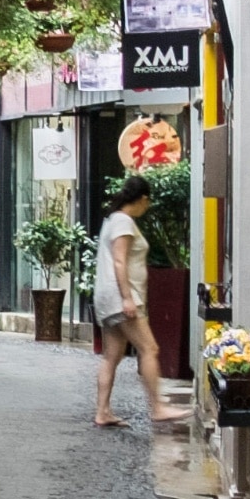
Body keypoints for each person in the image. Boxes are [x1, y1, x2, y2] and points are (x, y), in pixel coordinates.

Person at [93, 178, 166, 430]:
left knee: (111, 355)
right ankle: (157, 407)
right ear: (143, 199)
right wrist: (127, 298)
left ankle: (102, 411)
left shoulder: (113, 219)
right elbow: (120, 261)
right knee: (150, 349)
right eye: (149, 201)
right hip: (121, 297)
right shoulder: (124, 221)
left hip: (107, 297)